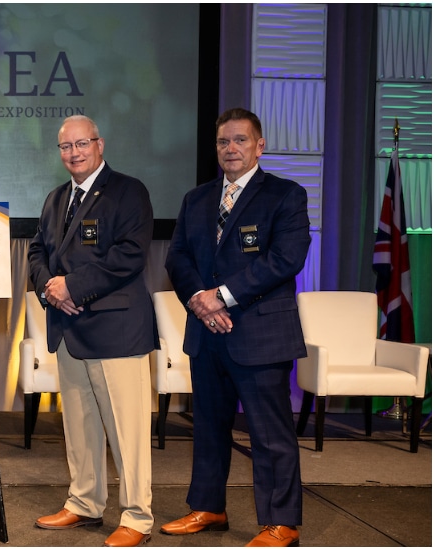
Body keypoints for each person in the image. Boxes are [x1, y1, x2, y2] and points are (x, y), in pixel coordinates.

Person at [162, 107, 310, 547]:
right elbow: (178, 259)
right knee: (207, 427)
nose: (231, 148)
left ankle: (281, 522)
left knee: (270, 434)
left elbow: (286, 259)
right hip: (207, 334)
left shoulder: (286, 195)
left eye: (240, 140)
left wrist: (221, 296)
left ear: (259, 145)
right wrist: (199, 302)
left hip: (260, 335)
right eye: (224, 141)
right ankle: (208, 508)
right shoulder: (196, 198)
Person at [28, 115, 156, 547]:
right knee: (80, 429)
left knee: (127, 431)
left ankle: (137, 517)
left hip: (116, 331)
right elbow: (37, 251)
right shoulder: (55, 198)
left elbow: (130, 256)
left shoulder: (128, 191)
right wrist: (50, 287)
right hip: (68, 329)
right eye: (66, 147)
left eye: (82, 144)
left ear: (100, 144)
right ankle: (84, 503)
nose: (74, 153)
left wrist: (73, 287)